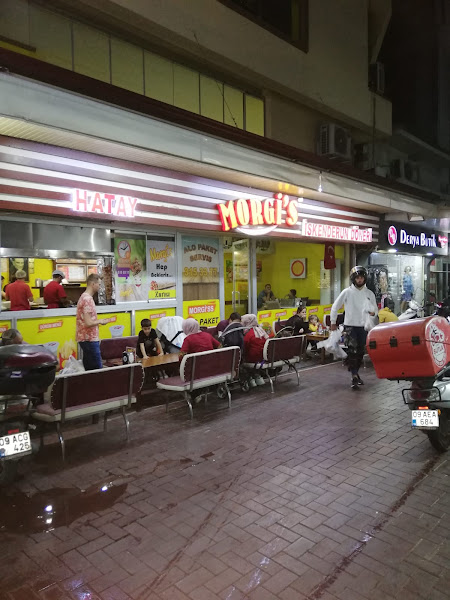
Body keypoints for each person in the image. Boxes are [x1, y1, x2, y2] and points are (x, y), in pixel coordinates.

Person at [330, 266, 378, 390]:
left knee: (361, 351)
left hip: (363, 326)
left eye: (361, 277)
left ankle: (356, 373)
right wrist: (333, 322)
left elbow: (375, 310)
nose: (359, 280)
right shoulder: (347, 292)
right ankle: (354, 375)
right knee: (352, 351)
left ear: (365, 278)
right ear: (353, 279)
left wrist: (372, 312)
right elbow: (335, 307)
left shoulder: (369, 293)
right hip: (350, 326)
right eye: (357, 278)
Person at [76, 273, 108, 370]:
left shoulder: (83, 297)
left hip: (85, 338)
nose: (99, 286)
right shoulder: (88, 299)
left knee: (89, 369)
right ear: (93, 284)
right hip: (89, 338)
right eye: (99, 284)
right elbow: (88, 322)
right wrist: (100, 321)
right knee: (97, 369)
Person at [241, 313, 267, 386]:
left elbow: (244, 347)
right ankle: (256, 375)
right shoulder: (261, 331)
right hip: (262, 358)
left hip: (252, 359)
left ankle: (249, 378)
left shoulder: (248, 333)